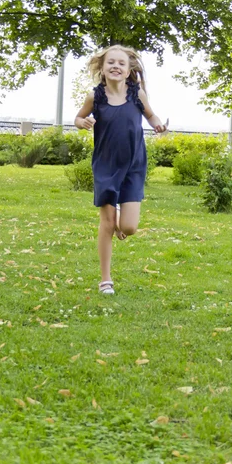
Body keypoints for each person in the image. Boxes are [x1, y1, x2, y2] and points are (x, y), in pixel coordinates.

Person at [75, 45, 168, 294]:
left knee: (128, 228)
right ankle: (106, 280)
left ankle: (119, 219)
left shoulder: (137, 95)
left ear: (128, 71)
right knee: (106, 223)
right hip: (105, 164)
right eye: (111, 63)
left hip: (134, 165)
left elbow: (151, 116)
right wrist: (82, 122)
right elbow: (78, 118)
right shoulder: (95, 97)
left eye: (121, 64)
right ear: (103, 68)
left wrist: (158, 124)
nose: (116, 66)